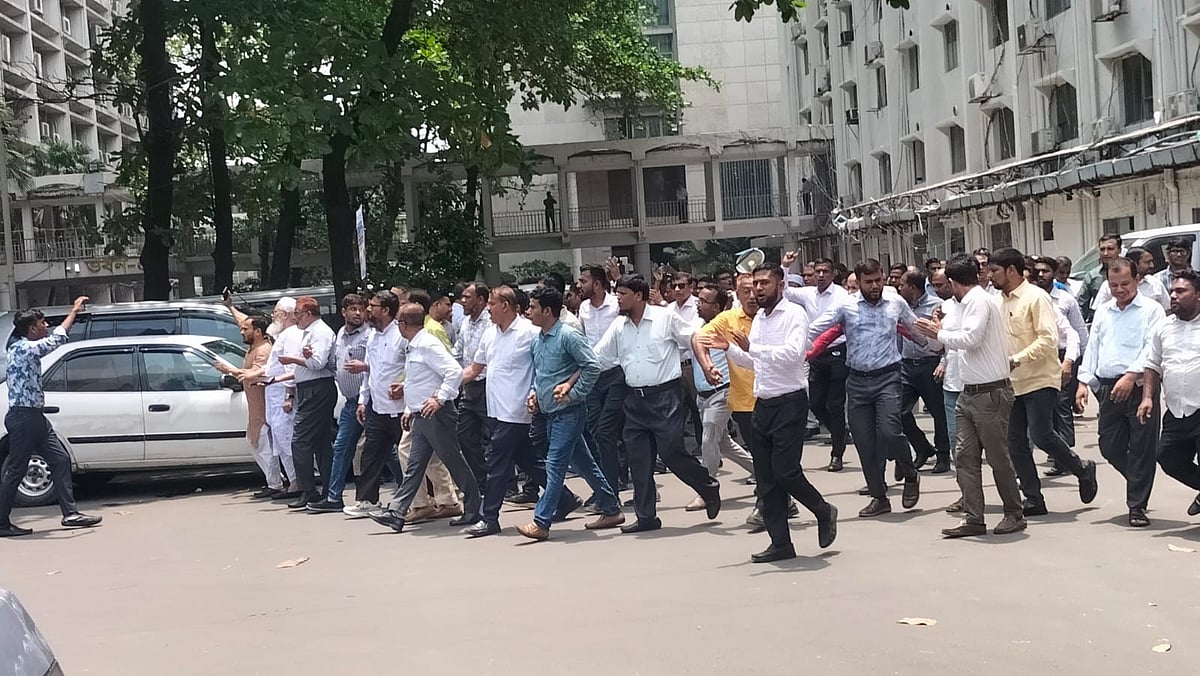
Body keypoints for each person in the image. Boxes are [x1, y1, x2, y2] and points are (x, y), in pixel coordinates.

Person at [703, 264, 838, 562]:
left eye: (765, 283)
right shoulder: (761, 318)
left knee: (785, 471)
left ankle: (822, 509)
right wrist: (730, 349)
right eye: (754, 284)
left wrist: (754, 347)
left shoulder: (794, 315)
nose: (758, 289)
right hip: (762, 402)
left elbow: (793, 355)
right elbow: (756, 362)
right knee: (765, 478)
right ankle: (781, 543)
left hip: (790, 401)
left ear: (780, 284)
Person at [595, 274, 722, 532]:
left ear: (638, 296)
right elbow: (596, 358)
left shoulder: (665, 318)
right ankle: (646, 517)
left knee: (672, 454)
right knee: (639, 460)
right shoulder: (619, 327)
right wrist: (569, 379)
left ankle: (708, 487)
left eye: (622, 294)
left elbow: (694, 338)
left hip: (666, 398)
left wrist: (707, 365)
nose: (617, 299)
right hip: (634, 400)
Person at [462, 286, 592, 537]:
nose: (488, 308)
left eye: (492, 303)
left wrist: (554, 390)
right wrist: (442, 387)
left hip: (518, 409)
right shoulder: (490, 334)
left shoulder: (529, 334)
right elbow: (475, 369)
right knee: (527, 459)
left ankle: (489, 517)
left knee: (497, 462)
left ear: (506, 306)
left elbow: (556, 365)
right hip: (496, 409)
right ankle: (565, 498)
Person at [914, 256, 1025, 538]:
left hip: (990, 392)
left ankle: (1014, 512)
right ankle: (974, 517)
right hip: (968, 391)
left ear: (953, 282)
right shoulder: (963, 304)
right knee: (964, 457)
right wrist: (941, 331)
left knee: (998, 458)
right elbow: (956, 335)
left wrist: (939, 333)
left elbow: (970, 339)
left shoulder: (978, 301)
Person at [809, 259, 922, 517]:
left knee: (889, 432)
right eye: (868, 282)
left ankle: (910, 473)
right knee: (865, 442)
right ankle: (879, 496)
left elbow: (916, 329)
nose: (875, 286)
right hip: (857, 382)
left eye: (878, 280)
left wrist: (938, 340)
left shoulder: (896, 303)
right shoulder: (845, 306)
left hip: (888, 377)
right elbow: (817, 328)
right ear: (858, 282)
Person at [988, 248, 1098, 517]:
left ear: (1011, 271)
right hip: (1010, 382)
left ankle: (1082, 468)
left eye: (995, 271)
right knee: (1015, 444)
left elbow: (1048, 339)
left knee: (1041, 434)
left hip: (1040, 378)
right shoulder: (996, 301)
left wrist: (1017, 359)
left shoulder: (1036, 297)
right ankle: (1034, 498)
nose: (990, 275)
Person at [516, 287, 625, 540]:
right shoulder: (538, 339)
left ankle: (541, 522)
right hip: (550, 412)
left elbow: (592, 366)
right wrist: (534, 394)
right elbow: (540, 375)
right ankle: (611, 508)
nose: (528, 311)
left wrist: (574, 393)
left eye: (533, 307)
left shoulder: (568, 336)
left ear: (547, 311)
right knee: (584, 463)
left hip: (570, 412)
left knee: (555, 466)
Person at [369, 304, 482, 532]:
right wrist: (411, 407)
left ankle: (474, 506)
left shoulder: (428, 344)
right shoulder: (415, 345)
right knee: (415, 465)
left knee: (453, 460)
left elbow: (453, 371)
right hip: (422, 414)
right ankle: (398, 512)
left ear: (402, 324)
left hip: (436, 414)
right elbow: (420, 380)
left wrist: (439, 398)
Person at [0, 296, 102, 537]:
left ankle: (70, 514)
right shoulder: (25, 348)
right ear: (32, 329)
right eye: (42, 322)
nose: (46, 325)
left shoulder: (15, 343)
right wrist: (74, 311)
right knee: (15, 470)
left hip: (34, 417)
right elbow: (56, 339)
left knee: (59, 460)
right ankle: (2, 523)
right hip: (24, 418)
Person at [1076, 257, 1164, 527]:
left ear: (1137, 280)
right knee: (1109, 446)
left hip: (1139, 387)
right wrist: (1083, 381)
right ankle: (1139, 480)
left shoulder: (1151, 310)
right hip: (1106, 387)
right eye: (1114, 285)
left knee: (1142, 448)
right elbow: (1093, 348)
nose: (1120, 289)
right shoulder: (1103, 311)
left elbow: (1152, 349)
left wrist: (1131, 375)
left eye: (1125, 283)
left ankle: (1137, 506)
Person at [1138, 270, 1200, 518]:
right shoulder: (1163, 327)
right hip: (1176, 408)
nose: (1173, 296)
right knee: (1168, 458)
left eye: (1181, 291)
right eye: (1172, 291)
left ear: (1198, 295)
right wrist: (1147, 397)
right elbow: (1152, 364)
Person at [688, 286, 756, 507]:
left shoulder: (727, 326)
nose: (699, 304)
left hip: (723, 391)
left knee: (708, 438)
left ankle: (707, 490)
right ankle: (762, 471)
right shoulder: (701, 328)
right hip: (703, 395)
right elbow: (696, 341)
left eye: (704, 301)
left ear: (716, 307)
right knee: (724, 443)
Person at [782, 254, 850, 472]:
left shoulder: (841, 295)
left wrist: (806, 335)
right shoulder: (808, 293)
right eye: (817, 272)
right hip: (816, 354)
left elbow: (832, 321)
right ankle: (839, 432)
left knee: (835, 404)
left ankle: (837, 454)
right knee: (816, 402)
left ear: (833, 274)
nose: (820, 276)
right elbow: (785, 291)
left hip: (838, 350)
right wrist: (785, 266)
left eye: (825, 272)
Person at [270, 296, 338, 510]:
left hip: (318, 387)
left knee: (300, 440)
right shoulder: (309, 332)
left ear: (308, 313)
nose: (296, 318)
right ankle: (328, 490)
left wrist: (293, 360)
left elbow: (317, 363)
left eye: (298, 314)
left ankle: (308, 490)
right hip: (310, 387)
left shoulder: (321, 332)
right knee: (321, 444)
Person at [347, 291, 407, 519]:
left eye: (372, 306)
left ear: (386, 310)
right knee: (371, 456)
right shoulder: (372, 336)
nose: (368, 310)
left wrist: (404, 383)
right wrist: (363, 400)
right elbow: (370, 372)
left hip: (400, 408)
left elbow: (411, 366)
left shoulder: (400, 335)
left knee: (408, 457)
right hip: (377, 407)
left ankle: (422, 500)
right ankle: (367, 500)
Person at [308, 294, 370, 513]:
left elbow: (379, 365)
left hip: (369, 401)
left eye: (361, 309)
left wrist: (364, 367)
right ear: (343, 312)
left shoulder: (369, 335)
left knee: (386, 451)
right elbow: (334, 363)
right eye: (352, 309)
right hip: (351, 403)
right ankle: (334, 497)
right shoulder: (341, 335)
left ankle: (407, 491)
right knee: (342, 448)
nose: (357, 313)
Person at [1030, 256, 1088, 477]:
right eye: (1038, 271)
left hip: (1063, 356)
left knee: (1062, 405)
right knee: (1046, 406)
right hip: (1037, 358)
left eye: (1046, 271)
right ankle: (1057, 450)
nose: (1041, 274)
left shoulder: (1065, 300)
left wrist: (1078, 362)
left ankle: (1064, 454)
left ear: (1054, 273)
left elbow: (1079, 331)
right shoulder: (1031, 297)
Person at [214, 314, 278, 497]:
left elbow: (256, 374)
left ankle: (276, 484)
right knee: (256, 444)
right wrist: (230, 307)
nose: (241, 332)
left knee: (264, 447)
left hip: (263, 408)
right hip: (256, 409)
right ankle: (275, 481)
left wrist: (230, 370)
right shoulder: (254, 348)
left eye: (245, 329)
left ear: (258, 331)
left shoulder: (263, 350)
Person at [578, 264, 626, 494]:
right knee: (597, 431)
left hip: (616, 373)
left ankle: (614, 486)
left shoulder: (616, 305)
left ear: (597, 284)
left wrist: (619, 278)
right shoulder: (584, 309)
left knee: (611, 430)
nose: (579, 285)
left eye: (583, 281)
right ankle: (609, 484)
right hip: (593, 377)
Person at [897, 270, 950, 474]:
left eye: (903, 284)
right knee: (898, 411)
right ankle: (922, 447)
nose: (899, 288)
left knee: (939, 412)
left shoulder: (936, 306)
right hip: (906, 364)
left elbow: (944, 337)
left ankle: (943, 455)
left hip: (930, 363)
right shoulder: (900, 306)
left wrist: (943, 362)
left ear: (913, 287)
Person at [257, 297, 302, 498]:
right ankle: (293, 481)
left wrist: (288, 396)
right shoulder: (283, 335)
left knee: (288, 441)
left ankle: (297, 482)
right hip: (274, 397)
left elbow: (292, 370)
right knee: (281, 442)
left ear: (284, 314)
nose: (272, 316)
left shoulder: (291, 335)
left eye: (275, 312)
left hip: (283, 398)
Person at [453, 282, 492, 491]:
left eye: (468, 297)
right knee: (465, 435)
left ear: (481, 299)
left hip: (487, 384)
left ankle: (510, 483)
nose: (463, 301)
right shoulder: (466, 323)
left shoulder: (491, 322)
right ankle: (482, 481)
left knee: (498, 436)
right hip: (468, 385)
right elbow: (457, 352)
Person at [1094, 246, 1170, 312]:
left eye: (1125, 284)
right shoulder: (1106, 286)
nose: (1152, 265)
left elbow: (1168, 309)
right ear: (1134, 263)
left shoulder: (1155, 284)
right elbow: (1099, 311)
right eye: (1147, 262)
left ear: (1136, 280)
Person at [1077, 233, 1122, 322]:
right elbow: (1081, 305)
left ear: (1119, 250)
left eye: (1110, 249)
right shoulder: (1092, 276)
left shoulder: (1130, 272)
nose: (1105, 253)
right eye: (1102, 249)